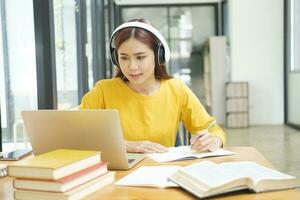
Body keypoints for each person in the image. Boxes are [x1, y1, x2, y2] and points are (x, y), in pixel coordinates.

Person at [80, 18, 226, 153]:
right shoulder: (103, 91)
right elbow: (76, 135)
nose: (132, 66)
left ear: (158, 55)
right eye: (124, 58)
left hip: (162, 174)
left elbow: (213, 129)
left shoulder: (176, 89)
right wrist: (126, 145)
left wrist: (215, 139)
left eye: (140, 57)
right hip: (116, 176)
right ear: (115, 58)